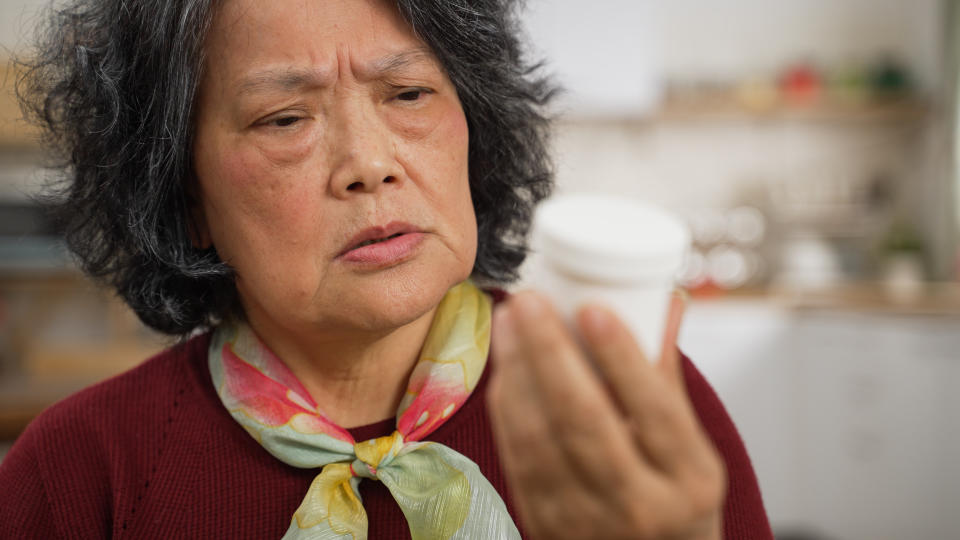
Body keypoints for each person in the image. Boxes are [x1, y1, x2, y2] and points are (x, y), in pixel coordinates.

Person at [0, 0, 774, 538]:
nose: (369, 165)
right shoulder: (78, 472)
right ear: (186, 197)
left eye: (407, 94)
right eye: (285, 119)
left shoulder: (628, 408)